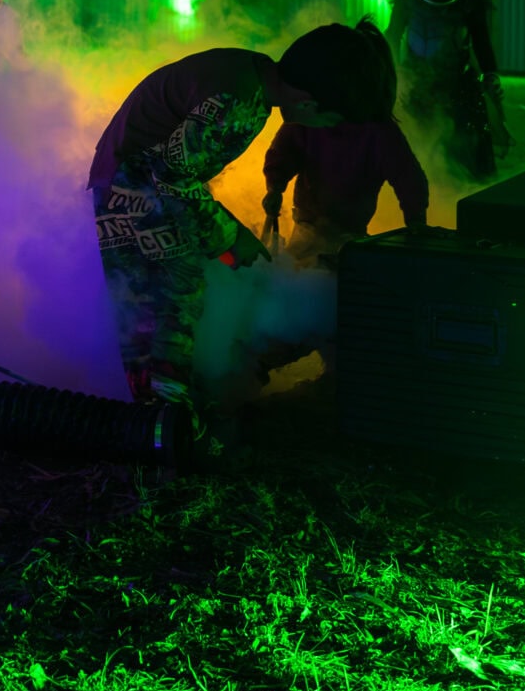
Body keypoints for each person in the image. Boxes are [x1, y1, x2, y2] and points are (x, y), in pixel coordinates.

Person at [89, 42, 341, 437]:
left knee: (147, 301)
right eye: (327, 120)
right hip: (134, 189)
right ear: (308, 102)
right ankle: (168, 423)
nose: (322, 130)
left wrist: (228, 238)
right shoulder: (238, 102)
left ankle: (154, 413)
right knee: (175, 293)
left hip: (126, 181)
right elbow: (173, 177)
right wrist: (228, 238)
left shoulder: (251, 74)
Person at [261, 20, 429, 261]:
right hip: (306, 225)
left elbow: (408, 178)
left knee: (341, 274)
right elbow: (284, 152)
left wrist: (416, 224)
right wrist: (275, 187)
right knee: (299, 267)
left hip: (351, 237)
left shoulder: (378, 132)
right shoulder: (306, 117)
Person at [380, 0, 507, 182]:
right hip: (416, 89)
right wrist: (392, 75)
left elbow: (482, 41)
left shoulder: (468, 0)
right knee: (416, 158)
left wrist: (491, 74)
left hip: (459, 93)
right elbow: (392, 36)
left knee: (465, 161)